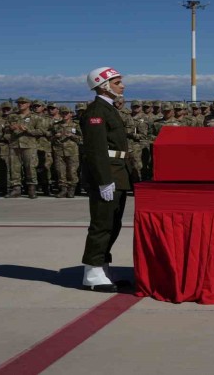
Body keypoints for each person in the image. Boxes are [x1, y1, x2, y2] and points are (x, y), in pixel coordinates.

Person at [80, 66, 132, 292]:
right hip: (108, 173)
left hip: (117, 172)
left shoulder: (109, 109)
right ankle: (92, 272)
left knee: (113, 224)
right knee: (102, 224)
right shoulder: (96, 112)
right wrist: (103, 180)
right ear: (104, 86)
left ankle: (102, 268)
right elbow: (96, 149)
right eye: (117, 82)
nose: (122, 85)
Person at [6, 97, 41, 199]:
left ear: (28, 104)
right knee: (14, 168)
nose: (20, 104)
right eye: (19, 103)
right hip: (14, 145)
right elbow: (5, 129)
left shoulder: (35, 117)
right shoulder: (12, 116)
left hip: (29, 145)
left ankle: (31, 189)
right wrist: (10, 128)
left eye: (23, 103)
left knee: (30, 167)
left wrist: (27, 130)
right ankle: (16, 189)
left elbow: (41, 131)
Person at [52, 106, 82, 198]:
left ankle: (71, 189)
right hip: (59, 151)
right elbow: (49, 138)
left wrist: (73, 136)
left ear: (70, 114)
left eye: (66, 113)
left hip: (72, 152)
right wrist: (55, 136)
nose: (64, 115)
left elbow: (82, 139)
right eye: (62, 113)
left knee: (72, 171)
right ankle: (63, 189)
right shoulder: (56, 125)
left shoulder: (76, 125)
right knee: (60, 171)